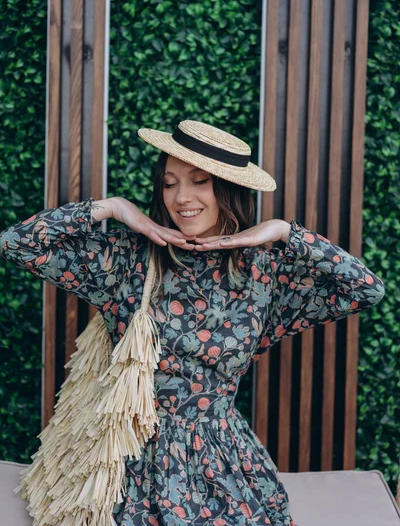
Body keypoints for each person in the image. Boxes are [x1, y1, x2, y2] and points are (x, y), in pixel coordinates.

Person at [0, 120, 385, 526]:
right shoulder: (126, 260)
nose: (180, 197)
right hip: (131, 461)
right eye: (169, 183)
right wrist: (113, 207)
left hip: (225, 461)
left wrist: (285, 232)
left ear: (230, 191)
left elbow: (365, 289)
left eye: (199, 181)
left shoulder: (264, 275)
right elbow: (16, 243)